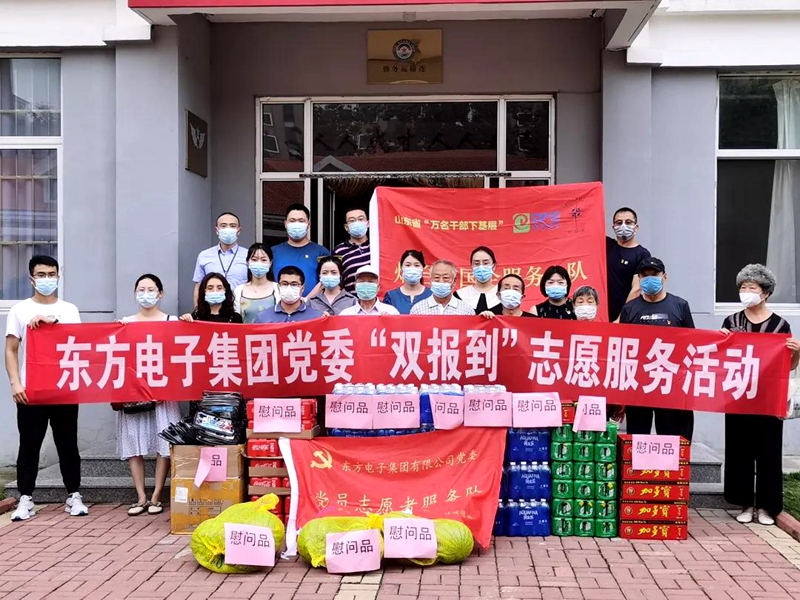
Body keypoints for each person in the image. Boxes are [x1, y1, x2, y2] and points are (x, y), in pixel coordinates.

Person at [5, 255, 88, 521]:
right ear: (31, 279)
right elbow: (11, 349)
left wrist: (53, 322)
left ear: (58, 277)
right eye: (41, 275)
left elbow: (80, 343)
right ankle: (25, 497)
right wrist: (16, 383)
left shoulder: (70, 310)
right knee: (29, 445)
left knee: (68, 444)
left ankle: (73, 495)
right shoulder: (19, 310)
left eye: (51, 274)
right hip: (31, 391)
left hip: (64, 389)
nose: (47, 279)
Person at [721, 264, 800, 526]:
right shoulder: (731, 322)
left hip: (768, 398)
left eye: (751, 288)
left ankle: (767, 506)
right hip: (738, 396)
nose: (746, 292)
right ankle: (745, 503)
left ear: (765, 293)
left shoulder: (780, 325)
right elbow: (722, 358)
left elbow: (788, 366)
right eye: (743, 287)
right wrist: (722, 341)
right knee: (739, 450)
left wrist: (797, 352)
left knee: (768, 451)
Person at [115, 274, 181, 516]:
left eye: (151, 289)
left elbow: (178, 355)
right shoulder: (125, 323)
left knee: (164, 443)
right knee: (134, 442)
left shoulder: (172, 322)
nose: (146, 294)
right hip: (134, 392)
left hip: (163, 392)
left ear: (160, 293)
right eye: (141, 289)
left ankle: (156, 496)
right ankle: (140, 496)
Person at [619, 257, 695, 440]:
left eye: (654, 274)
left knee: (670, 438)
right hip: (638, 384)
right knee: (638, 439)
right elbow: (622, 347)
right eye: (645, 275)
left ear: (664, 277)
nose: (649, 279)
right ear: (639, 279)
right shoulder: (629, 309)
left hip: (670, 384)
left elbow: (692, 343)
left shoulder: (680, 306)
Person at [193, 212, 249, 306]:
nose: (228, 229)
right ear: (217, 230)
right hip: (211, 309)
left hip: (240, 308)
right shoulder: (204, 255)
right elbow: (198, 287)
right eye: (223, 226)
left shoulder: (249, 256)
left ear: (238, 231)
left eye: (232, 226)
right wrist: (197, 310)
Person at [271, 204, 330, 292]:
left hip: (314, 301)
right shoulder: (273, 252)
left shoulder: (321, 253)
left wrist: (308, 298)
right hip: (279, 300)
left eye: (301, 221)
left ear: (308, 224)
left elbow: (325, 282)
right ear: (285, 224)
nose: (296, 224)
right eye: (292, 220)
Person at [606, 207, 651, 322]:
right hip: (600, 313)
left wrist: (621, 319)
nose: (623, 226)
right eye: (619, 223)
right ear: (613, 227)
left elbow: (637, 288)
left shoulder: (642, 254)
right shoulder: (606, 245)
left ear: (636, 227)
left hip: (626, 317)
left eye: (628, 222)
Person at [255, 266, 324, 323]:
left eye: (294, 284)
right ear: (278, 287)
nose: (289, 288)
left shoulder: (317, 317)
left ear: (302, 288)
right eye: (284, 284)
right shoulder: (263, 318)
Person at [233, 243, 280, 324]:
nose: (259, 263)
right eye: (254, 259)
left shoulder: (278, 289)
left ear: (270, 263)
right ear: (247, 262)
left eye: (263, 260)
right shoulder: (239, 290)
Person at [410, 260, 475, 316]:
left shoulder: (467, 311)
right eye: (437, 277)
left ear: (454, 281)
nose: (441, 281)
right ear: (430, 280)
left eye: (446, 278)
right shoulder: (418, 310)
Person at [333, 208, 371, 293]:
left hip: (379, 298)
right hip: (351, 299)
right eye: (352, 220)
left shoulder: (377, 245)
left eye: (361, 219)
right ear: (346, 227)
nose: (357, 223)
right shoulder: (339, 251)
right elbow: (336, 280)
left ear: (368, 223)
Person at [383, 250, 432, 315]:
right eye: (408, 265)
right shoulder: (391, 296)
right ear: (401, 268)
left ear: (423, 268)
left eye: (417, 265)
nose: (412, 268)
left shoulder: (432, 295)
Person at [455, 246, 500, 313]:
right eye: (476, 264)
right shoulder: (459, 295)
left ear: (494, 266)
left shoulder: (503, 295)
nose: (481, 267)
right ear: (472, 267)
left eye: (486, 263)